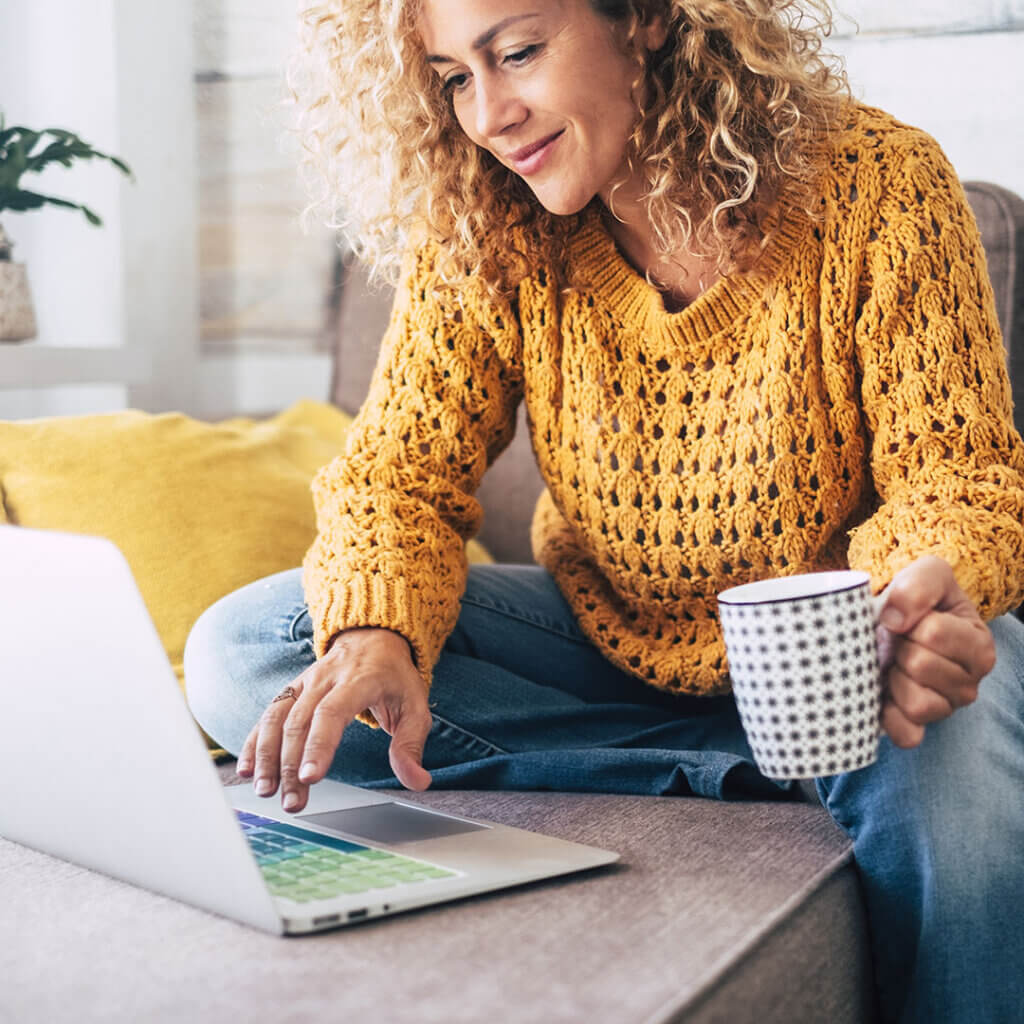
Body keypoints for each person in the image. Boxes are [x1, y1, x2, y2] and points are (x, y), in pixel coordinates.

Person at [184, 1, 1024, 1020]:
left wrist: (917, 597)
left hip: (844, 660)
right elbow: (394, 477)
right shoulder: (487, 222)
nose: (488, 113)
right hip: (606, 647)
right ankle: (751, 773)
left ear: (647, 22)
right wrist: (375, 631)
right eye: (453, 77)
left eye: (519, 52)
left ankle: (798, 762)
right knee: (244, 649)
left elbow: (957, 479)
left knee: (966, 744)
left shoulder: (879, 186)